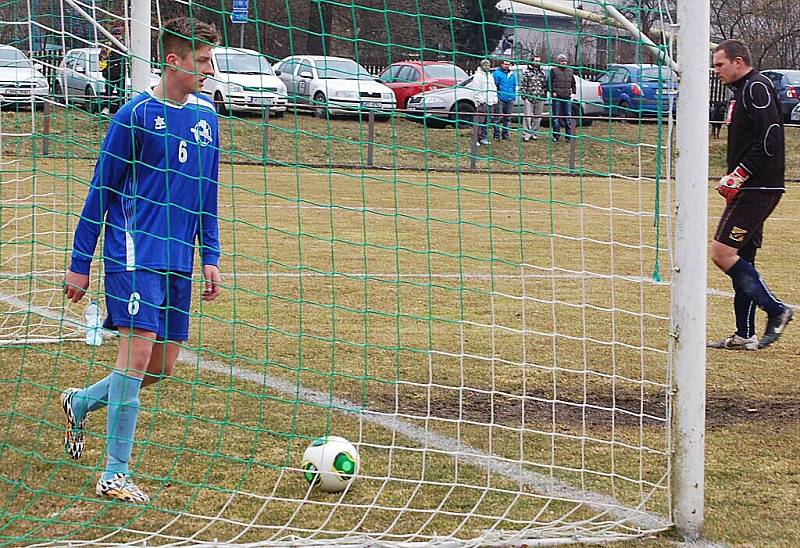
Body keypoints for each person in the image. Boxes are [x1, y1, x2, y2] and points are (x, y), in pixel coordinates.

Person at [60, 17, 222, 503]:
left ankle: (81, 400)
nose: (210, 69)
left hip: (178, 260)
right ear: (173, 61)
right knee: (134, 357)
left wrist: (209, 255)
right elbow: (102, 190)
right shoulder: (132, 115)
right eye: (203, 60)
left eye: (211, 60)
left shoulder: (207, 118)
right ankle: (114, 472)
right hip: (133, 253)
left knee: (161, 367)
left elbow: (207, 194)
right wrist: (79, 260)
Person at [708, 38, 792, 350]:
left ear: (738, 62)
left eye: (720, 64)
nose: (716, 70)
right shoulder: (744, 91)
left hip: (758, 187)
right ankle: (744, 335)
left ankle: (777, 310)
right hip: (752, 185)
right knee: (743, 257)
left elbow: (770, 137)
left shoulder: (756, 87)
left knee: (722, 253)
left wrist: (740, 173)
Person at [468, 59, 497, 146]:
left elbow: (493, 88)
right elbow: (477, 90)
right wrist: (481, 100)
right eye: (485, 65)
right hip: (482, 103)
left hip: (491, 102)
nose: (487, 67)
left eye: (488, 65)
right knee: (479, 121)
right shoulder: (478, 76)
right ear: (481, 66)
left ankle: (483, 137)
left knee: (486, 122)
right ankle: (475, 139)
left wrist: (494, 98)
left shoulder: (490, 76)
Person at [548, 53, 575, 142]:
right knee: (556, 118)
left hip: (567, 96)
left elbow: (573, 83)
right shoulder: (554, 71)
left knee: (568, 117)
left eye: (565, 61)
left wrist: (573, 92)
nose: (563, 62)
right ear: (558, 62)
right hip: (557, 97)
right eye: (562, 61)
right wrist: (553, 92)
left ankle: (568, 136)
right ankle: (556, 136)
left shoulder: (570, 71)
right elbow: (548, 83)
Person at [100, 26, 127, 115]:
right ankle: (106, 108)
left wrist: (129, 71)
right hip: (110, 72)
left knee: (121, 93)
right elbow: (102, 57)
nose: (117, 36)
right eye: (115, 34)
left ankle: (121, 109)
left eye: (118, 34)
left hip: (121, 73)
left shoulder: (124, 45)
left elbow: (128, 59)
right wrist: (103, 69)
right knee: (108, 92)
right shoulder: (108, 45)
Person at [519, 57, 546, 141]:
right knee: (527, 117)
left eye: (539, 61)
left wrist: (544, 96)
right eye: (536, 61)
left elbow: (545, 85)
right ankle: (526, 134)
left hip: (539, 97)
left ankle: (534, 133)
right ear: (532, 62)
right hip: (529, 97)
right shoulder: (526, 72)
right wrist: (524, 95)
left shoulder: (542, 73)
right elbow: (523, 84)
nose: (537, 62)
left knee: (538, 117)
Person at [492, 59, 517, 140]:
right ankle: (496, 135)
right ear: (502, 64)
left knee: (507, 118)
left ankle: (505, 135)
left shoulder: (512, 74)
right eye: (506, 64)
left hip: (510, 99)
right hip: (500, 98)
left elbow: (514, 85)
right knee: (497, 118)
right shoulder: (497, 74)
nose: (507, 66)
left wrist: (513, 96)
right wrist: (497, 96)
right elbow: (494, 86)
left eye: (508, 64)